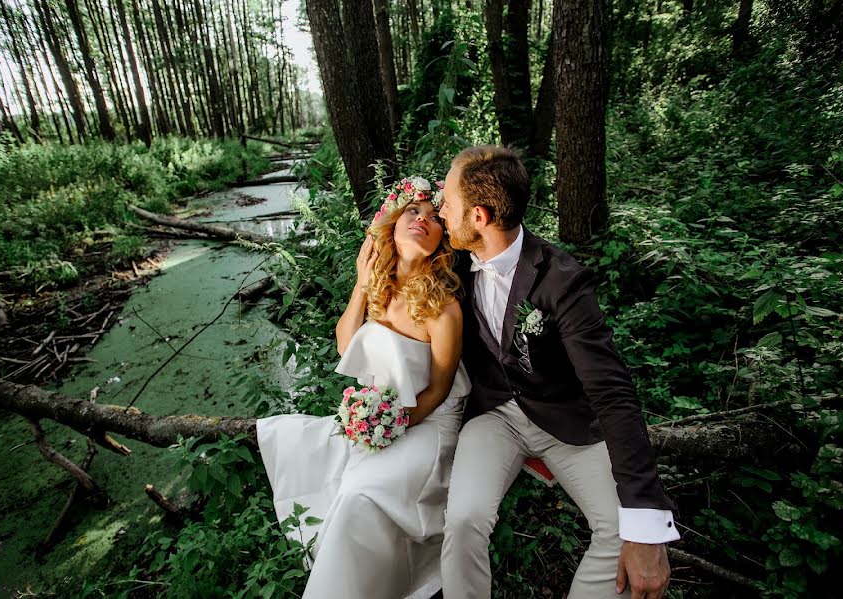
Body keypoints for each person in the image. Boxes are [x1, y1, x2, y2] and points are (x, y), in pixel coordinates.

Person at [437, 146, 680, 599]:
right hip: (494, 418)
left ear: (480, 216)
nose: (439, 209)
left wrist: (648, 520)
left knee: (622, 531)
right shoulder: (451, 259)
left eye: (447, 203)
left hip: (565, 423)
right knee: (464, 519)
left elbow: (611, 391)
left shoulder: (562, 280)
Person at [255, 176, 469, 599]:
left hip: (429, 422)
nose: (422, 219)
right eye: (413, 211)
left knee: (359, 493)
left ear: (443, 240)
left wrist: (391, 424)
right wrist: (362, 280)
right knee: (303, 445)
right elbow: (345, 342)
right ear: (393, 223)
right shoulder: (378, 289)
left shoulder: (443, 309)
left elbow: (440, 391)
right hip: (384, 412)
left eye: (432, 217)